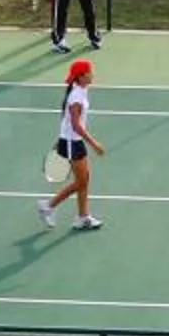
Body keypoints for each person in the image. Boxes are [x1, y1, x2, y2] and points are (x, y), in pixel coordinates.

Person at [38, 57, 106, 230]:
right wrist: (94, 144)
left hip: (73, 140)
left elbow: (67, 119)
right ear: (81, 76)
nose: (93, 75)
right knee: (81, 182)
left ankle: (83, 217)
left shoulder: (81, 89)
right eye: (90, 72)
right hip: (71, 142)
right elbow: (75, 125)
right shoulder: (76, 96)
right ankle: (48, 206)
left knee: (84, 180)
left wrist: (60, 137)